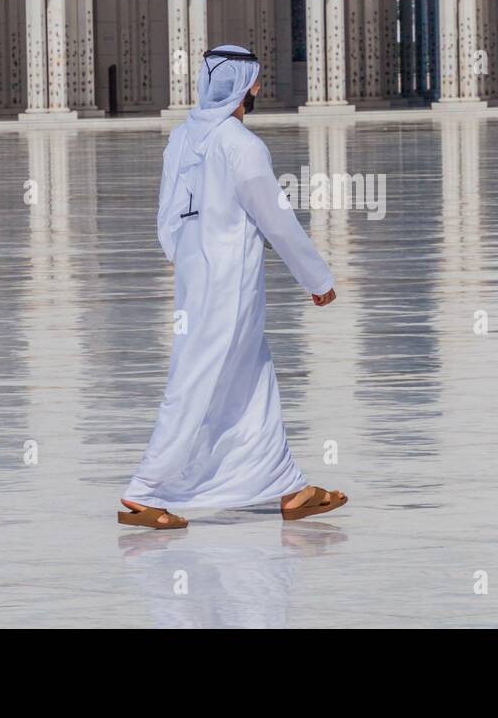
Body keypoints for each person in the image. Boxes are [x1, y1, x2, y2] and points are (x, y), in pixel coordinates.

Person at [119, 45, 347, 530]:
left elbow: (165, 216)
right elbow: (277, 219)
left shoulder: (181, 138)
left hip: (197, 279)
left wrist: (185, 258)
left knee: (252, 375)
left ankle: (289, 488)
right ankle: (145, 489)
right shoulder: (241, 145)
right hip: (228, 286)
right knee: (195, 380)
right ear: (248, 87)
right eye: (256, 82)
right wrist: (317, 279)